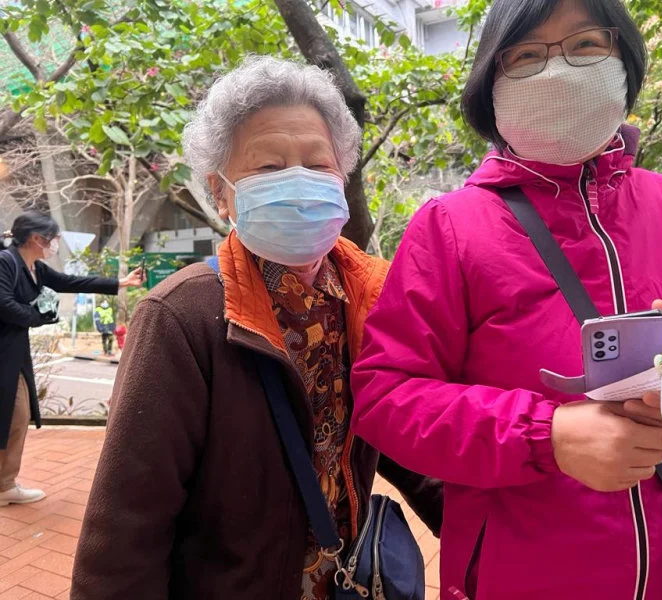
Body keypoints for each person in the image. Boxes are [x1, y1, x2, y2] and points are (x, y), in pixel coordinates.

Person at [349, 1, 662, 598]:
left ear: (624, 61)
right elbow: (387, 396)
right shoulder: (449, 228)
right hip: (517, 575)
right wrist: (548, 435)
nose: (558, 70)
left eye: (585, 45)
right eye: (529, 54)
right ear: (492, 82)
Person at [71, 56, 441, 600]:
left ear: (342, 177)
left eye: (317, 165)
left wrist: (485, 528)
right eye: (268, 169)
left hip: (345, 581)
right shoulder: (180, 317)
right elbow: (128, 525)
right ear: (221, 194)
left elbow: (405, 438)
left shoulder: (371, 295)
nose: (298, 182)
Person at [0, 212, 143, 506]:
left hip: (14, 352)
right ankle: (4, 485)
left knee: (15, 415)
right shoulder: (7, 262)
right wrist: (37, 317)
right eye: (53, 239)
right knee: (14, 415)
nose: (55, 244)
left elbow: (70, 281)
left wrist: (120, 283)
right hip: (4, 352)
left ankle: (4, 483)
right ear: (37, 239)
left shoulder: (34, 267)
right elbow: (3, 304)